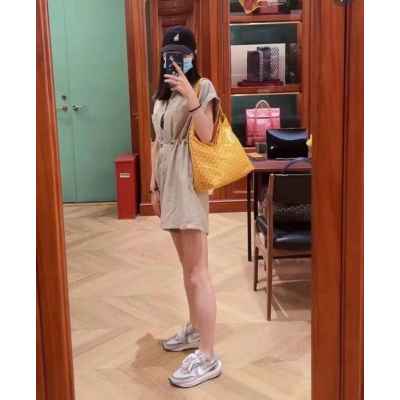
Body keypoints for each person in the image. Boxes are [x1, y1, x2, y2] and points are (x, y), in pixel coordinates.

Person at [149, 26, 222, 388]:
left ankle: (208, 356)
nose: (174, 60)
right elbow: (156, 141)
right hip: (168, 184)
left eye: (181, 55)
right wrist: (153, 185)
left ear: (192, 56)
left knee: (198, 272)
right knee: (186, 268)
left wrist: (191, 95)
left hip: (189, 184)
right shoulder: (161, 96)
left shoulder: (203, 87)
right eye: (169, 54)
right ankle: (194, 330)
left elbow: (207, 135)